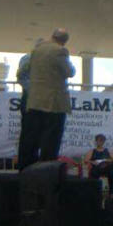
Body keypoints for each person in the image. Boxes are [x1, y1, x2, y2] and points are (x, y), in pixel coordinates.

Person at [20, 28, 75, 168]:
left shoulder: (36, 50)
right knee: (51, 139)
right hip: (53, 103)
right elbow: (70, 72)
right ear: (64, 41)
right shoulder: (60, 51)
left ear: (52, 36)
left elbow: (23, 71)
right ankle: (46, 170)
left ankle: (25, 169)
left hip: (34, 101)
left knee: (30, 138)